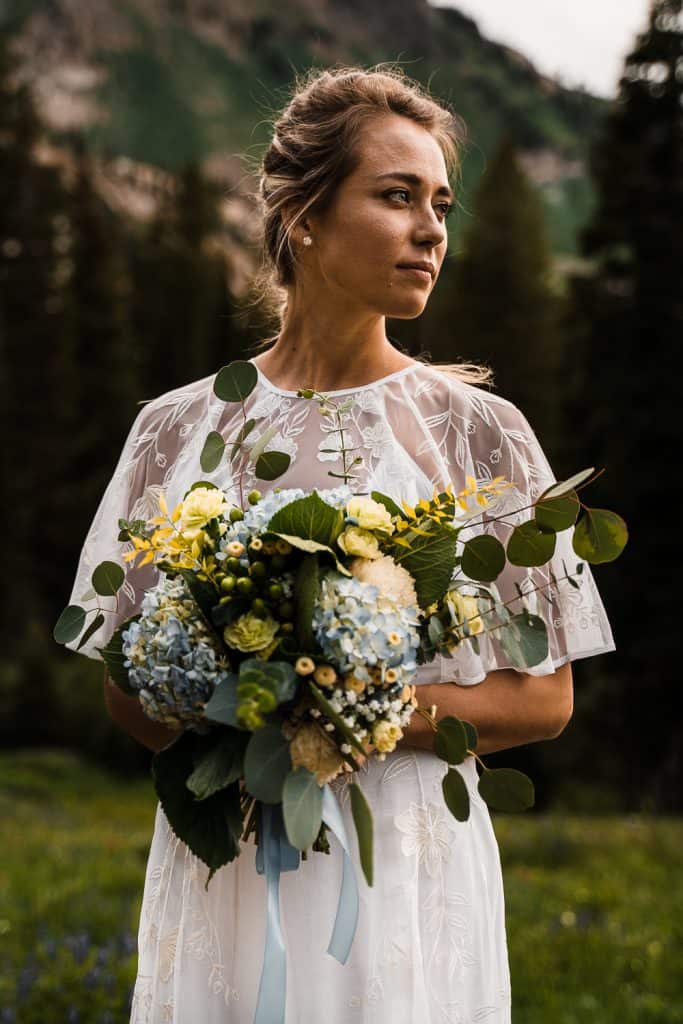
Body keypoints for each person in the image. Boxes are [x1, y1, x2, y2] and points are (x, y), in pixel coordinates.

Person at [64, 64, 616, 1023]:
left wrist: (339, 710)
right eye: (396, 196)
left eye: (440, 202)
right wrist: (220, 700)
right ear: (303, 214)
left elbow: (543, 697)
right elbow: (125, 688)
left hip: (403, 858)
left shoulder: (476, 431)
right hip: (224, 859)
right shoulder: (176, 427)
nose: (431, 228)